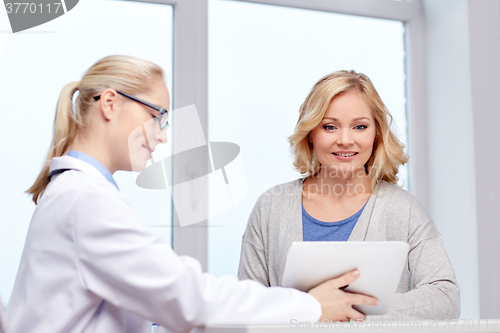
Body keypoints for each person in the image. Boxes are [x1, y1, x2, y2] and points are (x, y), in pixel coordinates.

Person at [7, 56, 378, 333]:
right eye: (158, 116)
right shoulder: (85, 200)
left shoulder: (75, 193)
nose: (163, 135)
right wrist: (310, 306)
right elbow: (189, 298)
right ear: (109, 103)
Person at [238, 70, 461, 321]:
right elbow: (247, 309)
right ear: (311, 134)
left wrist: (349, 308)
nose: (345, 140)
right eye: (330, 126)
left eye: (360, 126)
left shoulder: (403, 209)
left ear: (376, 134)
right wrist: (311, 309)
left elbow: (445, 299)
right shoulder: (271, 207)